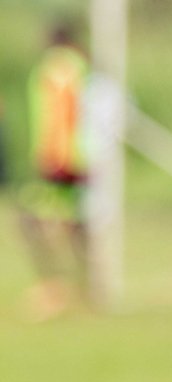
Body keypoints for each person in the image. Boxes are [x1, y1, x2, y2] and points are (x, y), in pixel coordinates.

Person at [17, 21, 90, 320]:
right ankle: (86, 285)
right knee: (74, 223)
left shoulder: (58, 67)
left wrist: (56, 156)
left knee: (31, 220)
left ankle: (55, 287)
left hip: (61, 161)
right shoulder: (84, 65)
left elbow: (63, 109)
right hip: (76, 159)